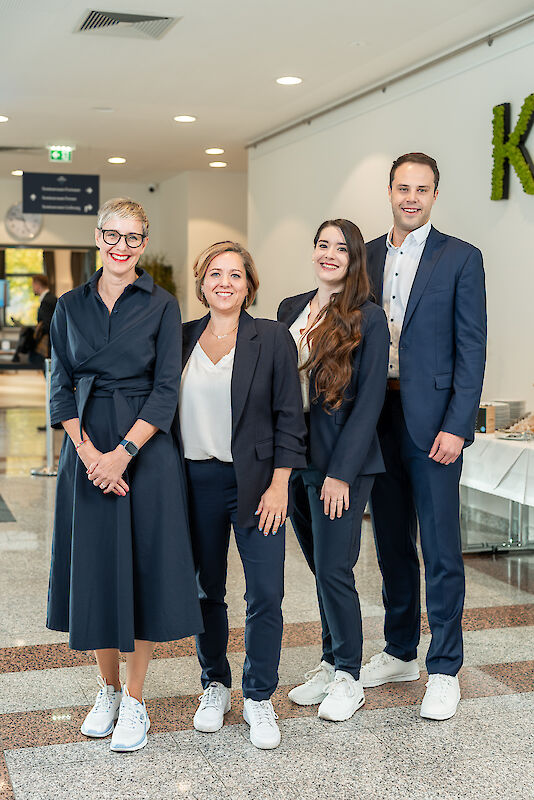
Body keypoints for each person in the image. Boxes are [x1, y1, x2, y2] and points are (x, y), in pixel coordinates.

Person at [47, 197, 202, 752]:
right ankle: (106, 689)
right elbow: (60, 386)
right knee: (96, 572)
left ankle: (136, 702)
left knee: (139, 572)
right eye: (111, 235)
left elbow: (166, 389)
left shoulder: (162, 305)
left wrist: (122, 455)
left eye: (132, 238)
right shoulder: (69, 305)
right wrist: (91, 456)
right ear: (97, 237)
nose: (120, 246)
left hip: (144, 452)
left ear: (142, 243)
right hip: (86, 448)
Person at [361, 153, 487, 720]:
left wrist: (458, 426)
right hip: (374, 420)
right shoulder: (363, 256)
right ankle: (400, 651)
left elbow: (471, 349)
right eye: (403, 188)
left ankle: (445, 667)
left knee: (439, 548)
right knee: (389, 543)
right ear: (389, 191)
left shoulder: (461, 259)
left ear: (436, 195)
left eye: (422, 189)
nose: (411, 198)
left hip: (433, 423)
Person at [180, 241, 306, 750]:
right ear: (202, 283)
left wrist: (281, 484)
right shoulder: (181, 336)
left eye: (235, 274)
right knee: (206, 590)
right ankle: (215, 684)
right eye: (215, 273)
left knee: (266, 593)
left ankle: (258, 695)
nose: (225, 282)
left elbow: (289, 419)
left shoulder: (273, 338)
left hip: (256, 485)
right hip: (195, 481)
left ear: (249, 284)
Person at [278, 219, 389, 721]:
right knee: (320, 568)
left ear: (354, 258)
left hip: (342, 465)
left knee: (336, 569)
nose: (328, 254)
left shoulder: (368, 317)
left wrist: (341, 474)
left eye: (339, 248)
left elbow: (368, 405)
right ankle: (329, 660)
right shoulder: (290, 309)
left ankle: (349, 674)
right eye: (322, 244)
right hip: (297, 460)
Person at [30, 274, 57, 371]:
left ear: (38, 284)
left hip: (48, 345)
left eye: (33, 285)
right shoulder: (50, 298)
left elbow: (48, 325)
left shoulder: (47, 301)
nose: (33, 288)